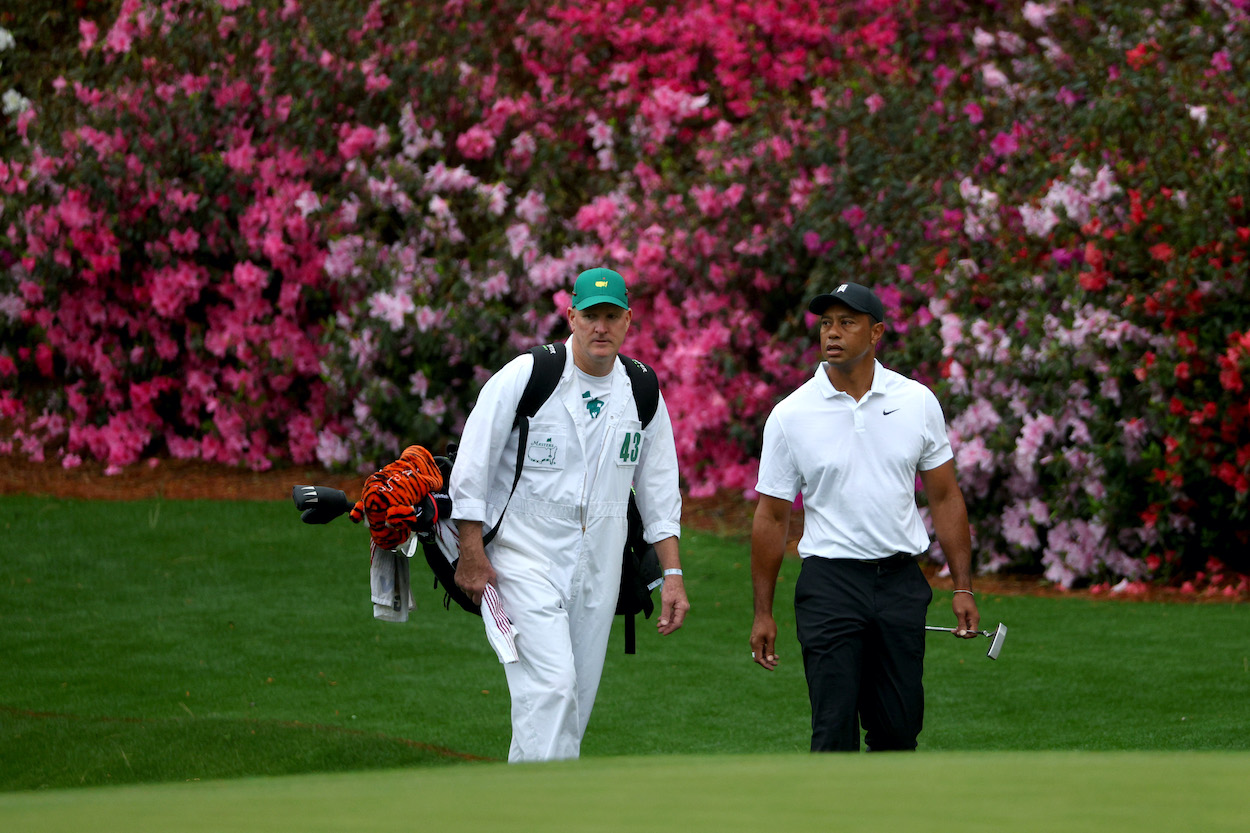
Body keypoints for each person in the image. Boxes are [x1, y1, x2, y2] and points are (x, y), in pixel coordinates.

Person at [450, 267, 689, 763]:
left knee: (571, 700)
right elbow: (472, 464)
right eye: (590, 316)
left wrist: (672, 574)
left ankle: (535, 809)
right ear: (571, 317)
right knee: (553, 687)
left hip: (599, 563)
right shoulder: (529, 374)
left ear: (628, 321)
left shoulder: (642, 391)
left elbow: (660, 492)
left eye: (611, 316)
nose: (600, 327)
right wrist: (470, 552)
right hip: (522, 554)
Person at [749, 281, 979, 752]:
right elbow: (772, 517)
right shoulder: (791, 415)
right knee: (832, 733)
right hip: (829, 586)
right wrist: (763, 612)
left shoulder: (916, 402)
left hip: (899, 582)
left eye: (846, 323)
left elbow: (945, 497)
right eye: (826, 324)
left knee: (898, 730)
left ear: (875, 333)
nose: (832, 333)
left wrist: (962, 585)